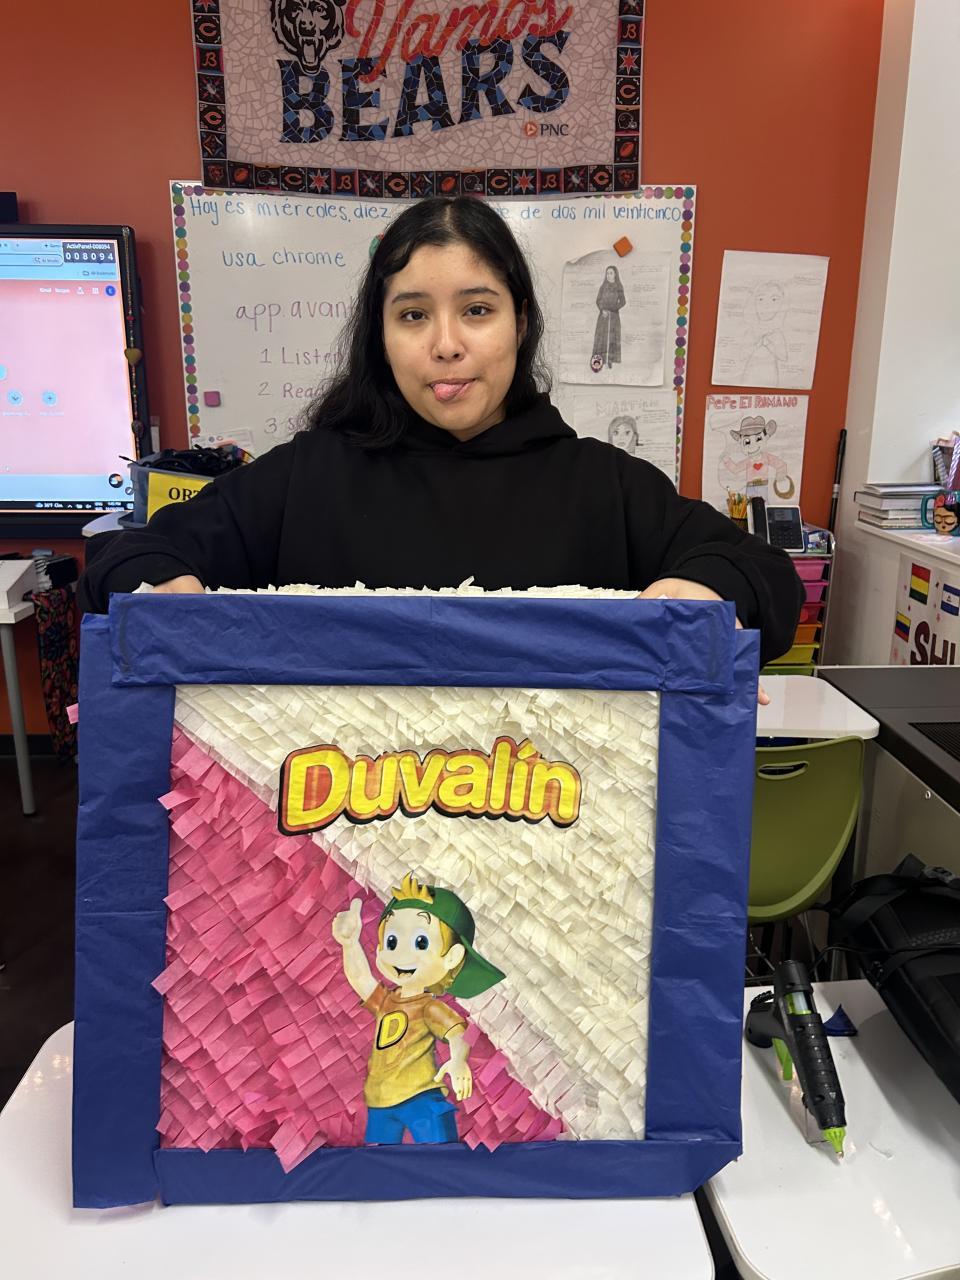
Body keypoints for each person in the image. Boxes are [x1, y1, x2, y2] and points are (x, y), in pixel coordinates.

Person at [79, 195, 803, 671]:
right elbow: (130, 554)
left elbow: (763, 576)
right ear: (381, 335)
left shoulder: (602, 484)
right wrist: (161, 586)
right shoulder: (307, 475)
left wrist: (706, 589)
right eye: (413, 314)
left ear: (521, 322)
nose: (447, 345)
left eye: (477, 310)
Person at [332, 872, 505, 1145]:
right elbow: (361, 979)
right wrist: (350, 944)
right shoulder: (386, 1001)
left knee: (441, 1158)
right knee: (378, 1163)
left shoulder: (428, 1008)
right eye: (391, 942)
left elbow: (457, 1035)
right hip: (380, 1100)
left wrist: (458, 1060)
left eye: (420, 943)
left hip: (421, 1097)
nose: (401, 955)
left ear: (452, 957)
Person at [591, 264, 626, 370]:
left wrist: (614, 309)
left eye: (611, 273)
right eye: (607, 273)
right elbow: (598, 300)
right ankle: (599, 361)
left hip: (614, 317)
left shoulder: (619, 287)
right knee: (601, 338)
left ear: (615, 274)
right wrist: (602, 310)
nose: (609, 275)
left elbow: (623, 301)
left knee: (612, 338)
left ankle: (610, 360)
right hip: (603, 316)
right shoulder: (603, 287)